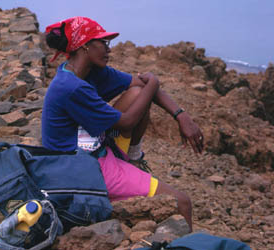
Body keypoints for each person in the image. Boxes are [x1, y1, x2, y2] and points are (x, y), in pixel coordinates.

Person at [42, 17, 204, 232]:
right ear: (84, 45)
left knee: (137, 93)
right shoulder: (70, 87)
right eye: (103, 43)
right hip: (81, 168)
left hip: (94, 149)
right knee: (181, 202)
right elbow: (127, 121)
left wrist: (181, 116)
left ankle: (133, 159)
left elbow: (141, 87)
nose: (109, 49)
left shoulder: (91, 72)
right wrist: (154, 81)